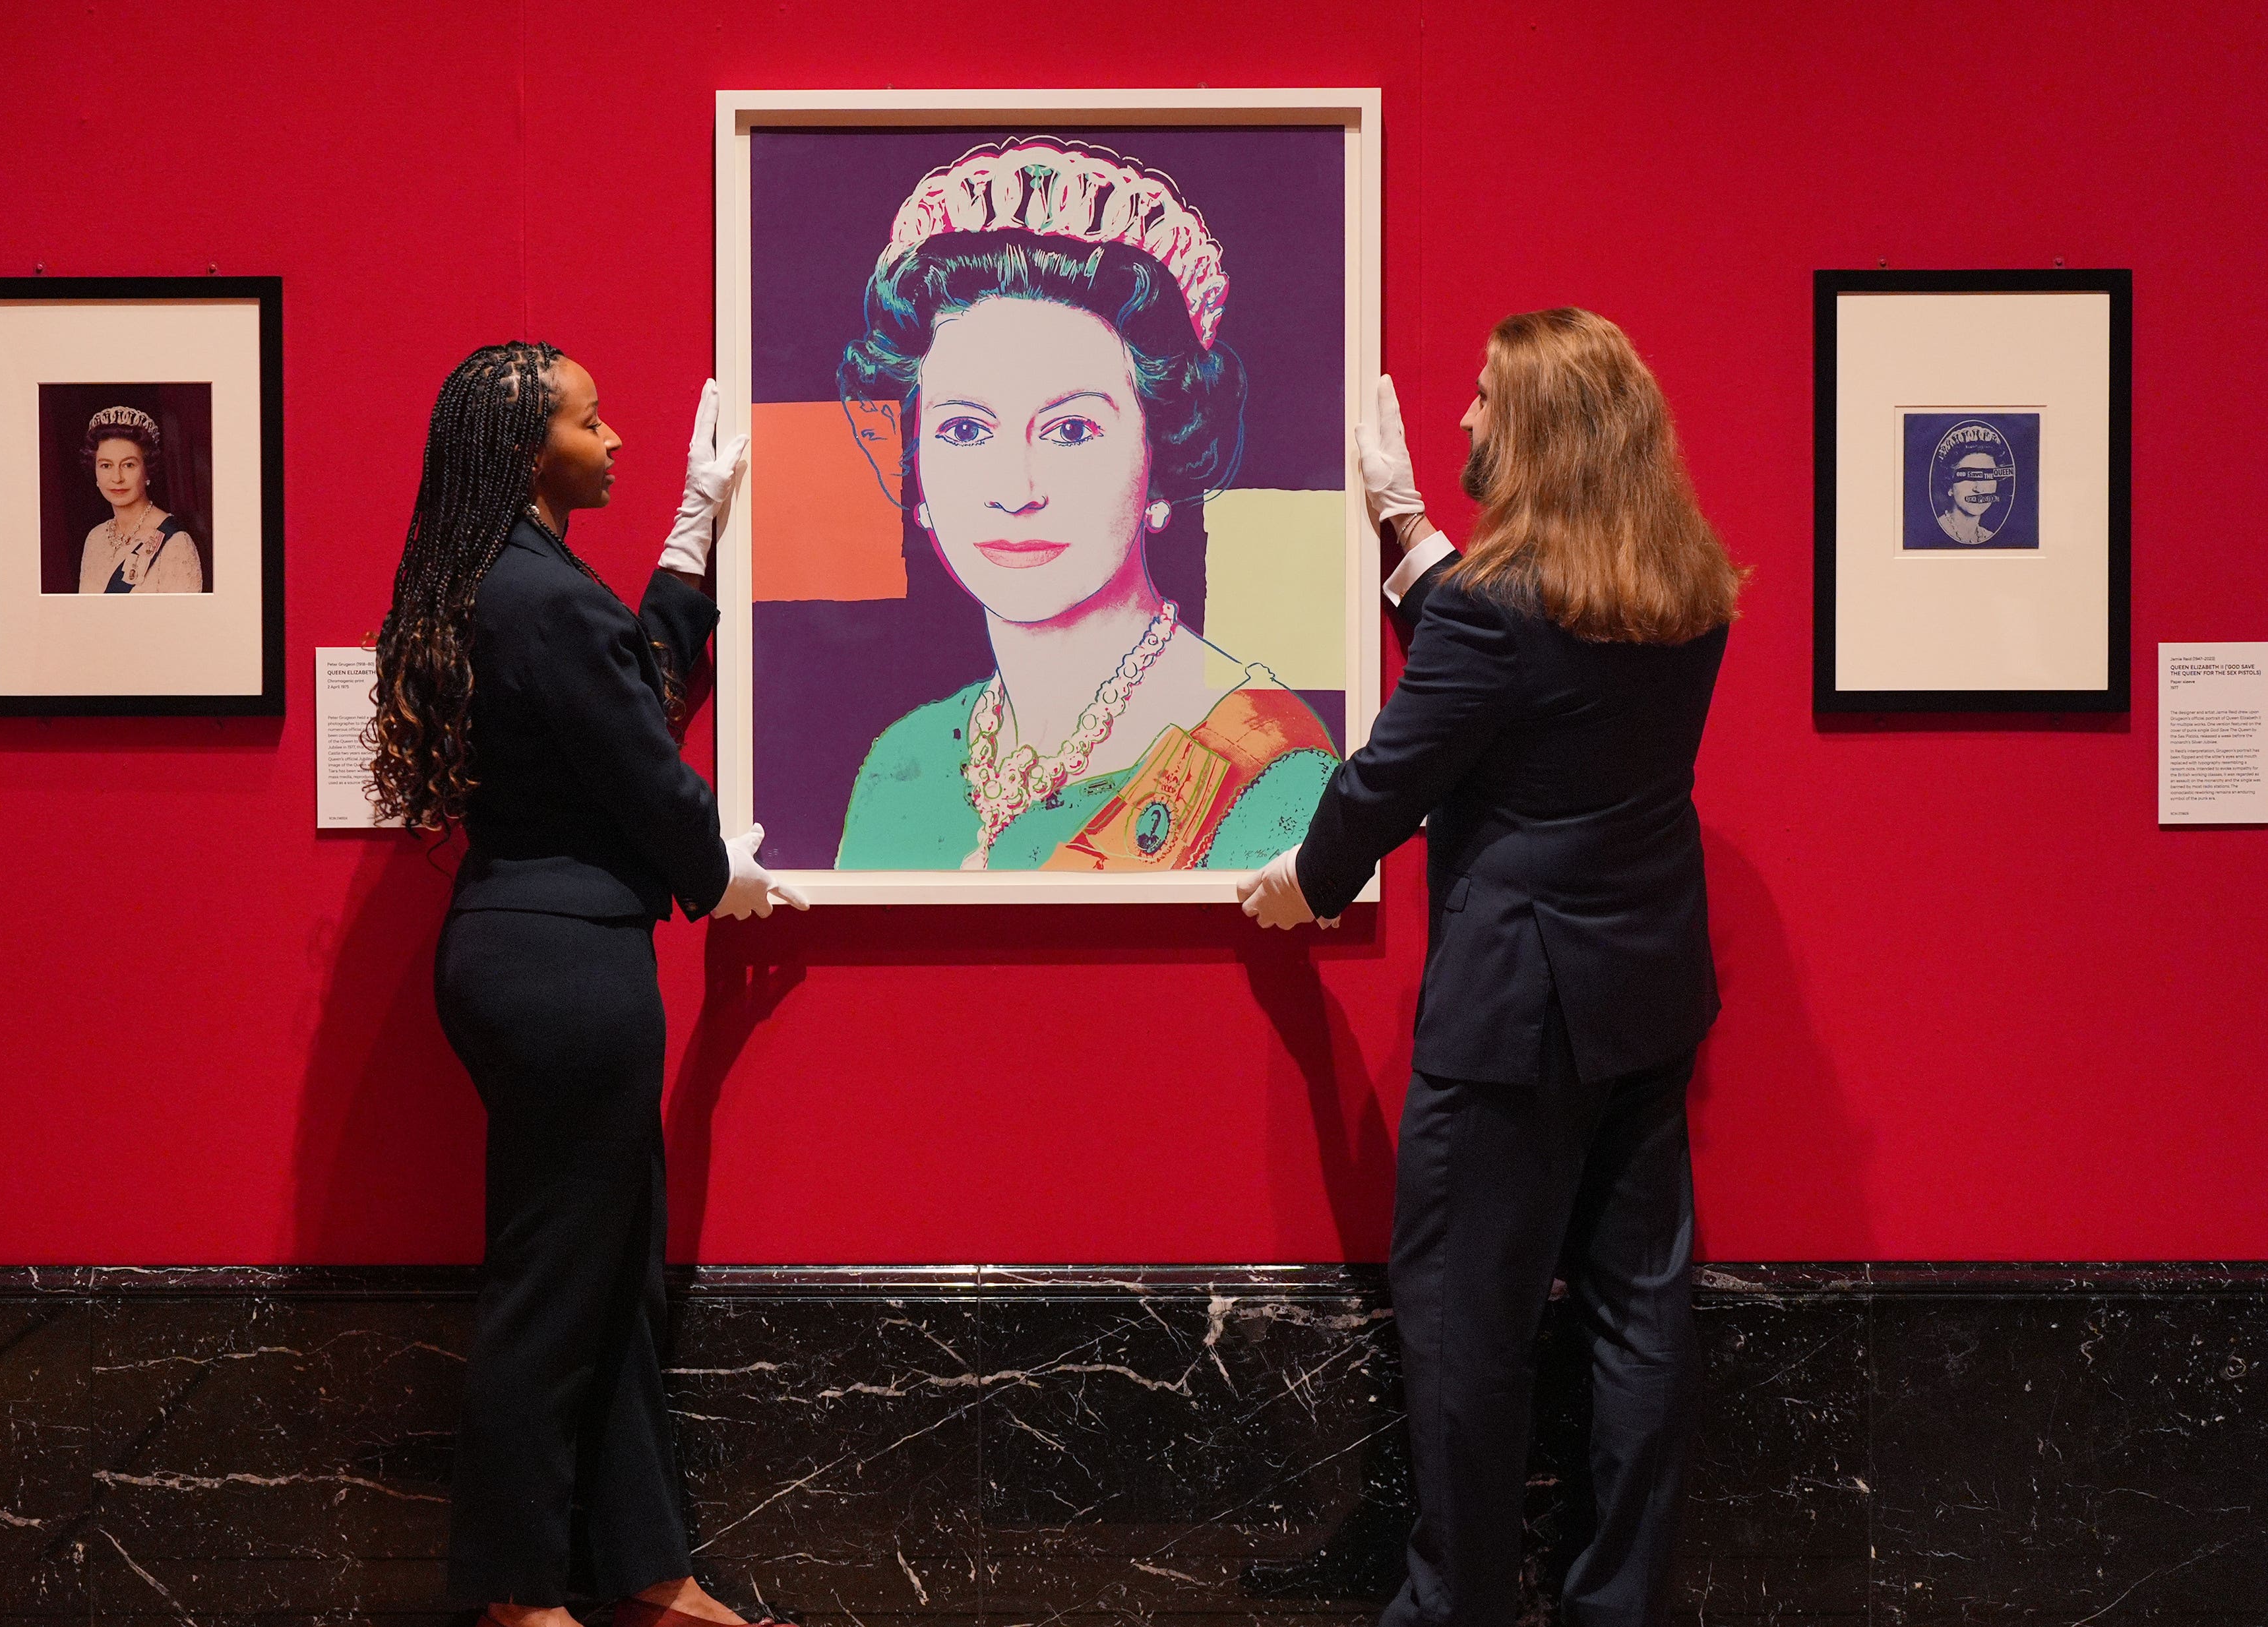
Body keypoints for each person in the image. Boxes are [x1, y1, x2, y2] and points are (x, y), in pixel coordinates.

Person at [1240, 311, 1746, 1626]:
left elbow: (1394, 775)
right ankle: (1611, 1603)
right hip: (1644, 999)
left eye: (1477, 400)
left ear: (1531, 431)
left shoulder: (1494, 613)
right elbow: (1530, 682)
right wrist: (1404, 533)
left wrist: (1305, 885)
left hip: (1511, 1022)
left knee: (1468, 1326)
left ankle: (1455, 1604)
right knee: (1640, 1316)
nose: (1460, 422)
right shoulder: (1682, 590)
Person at [369, 344, 806, 1627]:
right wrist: (716, 867)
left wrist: (690, 535)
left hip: (529, 950)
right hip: (566, 970)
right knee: (555, 1292)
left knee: (606, 1278)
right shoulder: (541, 596)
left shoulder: (508, 581)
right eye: (589, 419)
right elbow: (644, 768)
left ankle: (647, 1575)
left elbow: (633, 692)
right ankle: (514, 1597)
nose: (612, 437)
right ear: (525, 450)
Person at [833, 138, 1339, 872]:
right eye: (965, 429)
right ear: (919, 474)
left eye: (1071, 430)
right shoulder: (900, 766)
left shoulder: (1266, 770)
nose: (1015, 489)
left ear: (1160, 461)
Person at [76, 405, 204, 593]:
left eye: (128, 465)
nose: (117, 478)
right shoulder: (95, 538)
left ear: (147, 471)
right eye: (106, 466)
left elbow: (183, 622)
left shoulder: (176, 544)